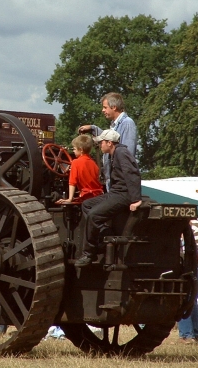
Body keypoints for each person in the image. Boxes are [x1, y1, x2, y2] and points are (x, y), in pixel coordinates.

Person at [75, 129, 142, 267]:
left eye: (101, 142)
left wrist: (136, 199)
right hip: (115, 192)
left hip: (123, 195)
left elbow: (132, 174)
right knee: (87, 205)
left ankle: (89, 254)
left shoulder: (121, 153)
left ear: (109, 143)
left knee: (94, 215)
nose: (100, 145)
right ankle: (105, 232)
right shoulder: (114, 154)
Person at [78, 93, 137, 191]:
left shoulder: (127, 123)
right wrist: (92, 128)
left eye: (105, 107)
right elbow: (110, 140)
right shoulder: (115, 124)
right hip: (114, 181)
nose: (103, 110)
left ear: (114, 107)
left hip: (121, 183)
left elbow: (128, 155)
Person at [177, 218, 198, 344]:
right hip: (196, 269)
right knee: (192, 301)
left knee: (184, 299)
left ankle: (186, 335)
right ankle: (195, 335)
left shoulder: (196, 227)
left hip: (193, 270)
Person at [55, 134, 103, 204]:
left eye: (74, 149)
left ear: (81, 150)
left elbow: (72, 182)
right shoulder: (93, 163)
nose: (73, 151)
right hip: (98, 195)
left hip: (87, 196)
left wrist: (70, 198)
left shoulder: (75, 162)